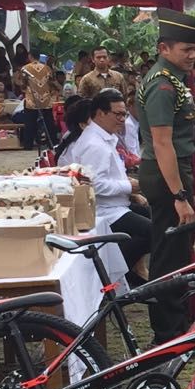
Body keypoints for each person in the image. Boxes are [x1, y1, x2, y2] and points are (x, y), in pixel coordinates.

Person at [137, 9, 195, 344]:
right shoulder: (162, 85)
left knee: (174, 249)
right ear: (164, 48)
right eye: (185, 50)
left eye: (194, 49)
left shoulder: (171, 79)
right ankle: (167, 332)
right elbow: (162, 143)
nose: (192, 56)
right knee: (167, 253)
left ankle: (176, 325)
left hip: (171, 171)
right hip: (166, 176)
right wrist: (180, 196)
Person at [58, 89, 150, 271]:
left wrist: (130, 191)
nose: (122, 119)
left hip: (117, 204)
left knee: (158, 221)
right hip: (107, 210)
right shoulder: (95, 144)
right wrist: (129, 187)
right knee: (154, 233)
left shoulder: (102, 137)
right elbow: (96, 184)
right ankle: (114, 270)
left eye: (124, 114)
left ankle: (126, 272)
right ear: (100, 113)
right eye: (118, 114)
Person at [16, 53, 59, 149]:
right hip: (46, 99)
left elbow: (22, 83)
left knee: (30, 123)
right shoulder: (47, 68)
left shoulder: (25, 68)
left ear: (30, 56)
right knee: (49, 123)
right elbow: (52, 82)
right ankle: (52, 143)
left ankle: (28, 145)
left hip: (32, 99)